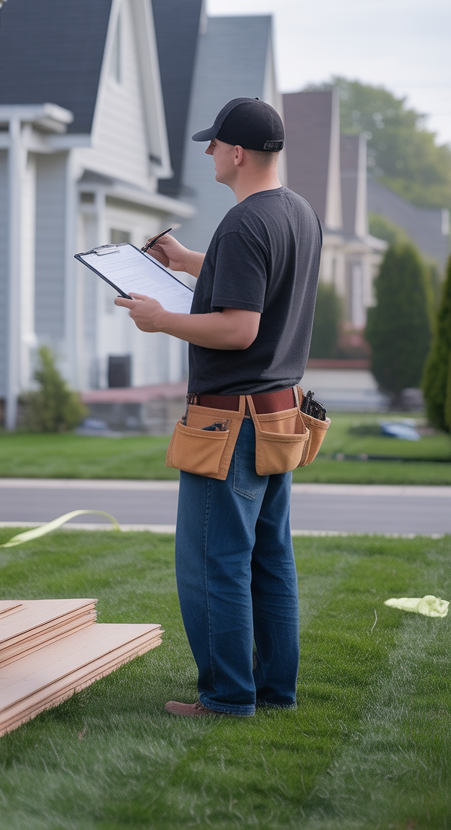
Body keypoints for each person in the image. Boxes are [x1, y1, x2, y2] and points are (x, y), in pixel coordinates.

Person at [115, 97, 321, 717]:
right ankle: (274, 691)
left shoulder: (242, 222)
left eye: (213, 144)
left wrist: (161, 320)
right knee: (270, 560)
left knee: (214, 564)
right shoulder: (297, 213)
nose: (206, 152)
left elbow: (239, 328)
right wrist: (183, 261)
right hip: (281, 416)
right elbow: (249, 274)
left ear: (236, 153)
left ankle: (228, 696)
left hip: (230, 423)